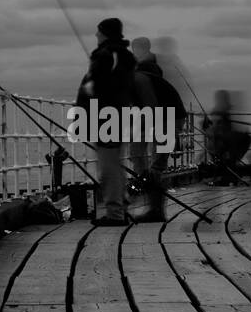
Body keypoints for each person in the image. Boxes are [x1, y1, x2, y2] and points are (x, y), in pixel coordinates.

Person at [77, 17, 137, 226]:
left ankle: (115, 213)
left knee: (108, 166)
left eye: (98, 31)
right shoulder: (122, 56)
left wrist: (87, 91)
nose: (96, 35)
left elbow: (100, 87)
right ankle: (121, 205)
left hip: (106, 118)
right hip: (116, 116)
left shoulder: (107, 55)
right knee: (114, 164)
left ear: (105, 33)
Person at [130, 37, 186, 221]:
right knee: (149, 160)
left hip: (167, 118)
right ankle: (153, 203)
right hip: (170, 116)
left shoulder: (138, 79)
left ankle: (155, 210)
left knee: (154, 165)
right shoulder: (152, 78)